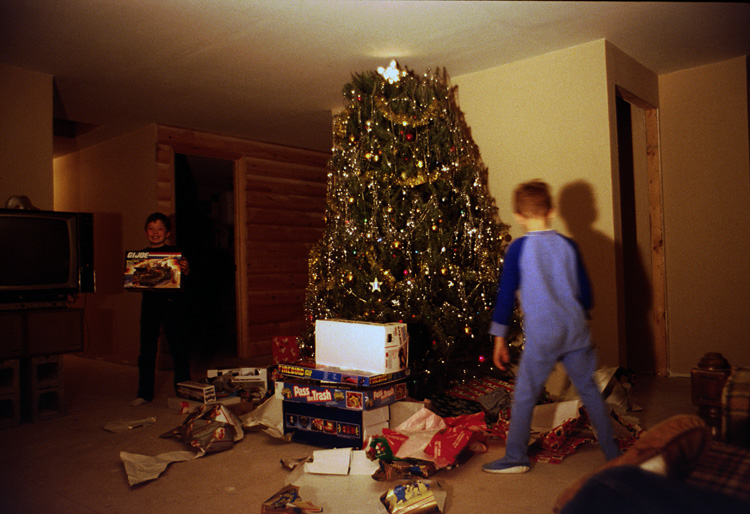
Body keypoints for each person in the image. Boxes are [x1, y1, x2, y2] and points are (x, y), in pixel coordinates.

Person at [482, 180, 620, 473]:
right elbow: (586, 293)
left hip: (543, 337)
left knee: (525, 396)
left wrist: (499, 338)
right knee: (590, 392)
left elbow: (506, 296)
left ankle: (516, 458)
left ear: (519, 216)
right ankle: (613, 453)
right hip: (575, 332)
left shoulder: (518, 249)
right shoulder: (569, 245)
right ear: (552, 211)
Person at [131, 212, 191, 406]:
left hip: (173, 305)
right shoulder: (140, 256)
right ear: (145, 232)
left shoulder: (176, 253)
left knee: (178, 348)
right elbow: (133, 282)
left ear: (167, 233)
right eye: (151, 228)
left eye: (160, 229)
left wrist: (186, 270)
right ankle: (144, 393)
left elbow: (187, 278)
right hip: (149, 306)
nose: (155, 233)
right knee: (146, 350)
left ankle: (184, 392)